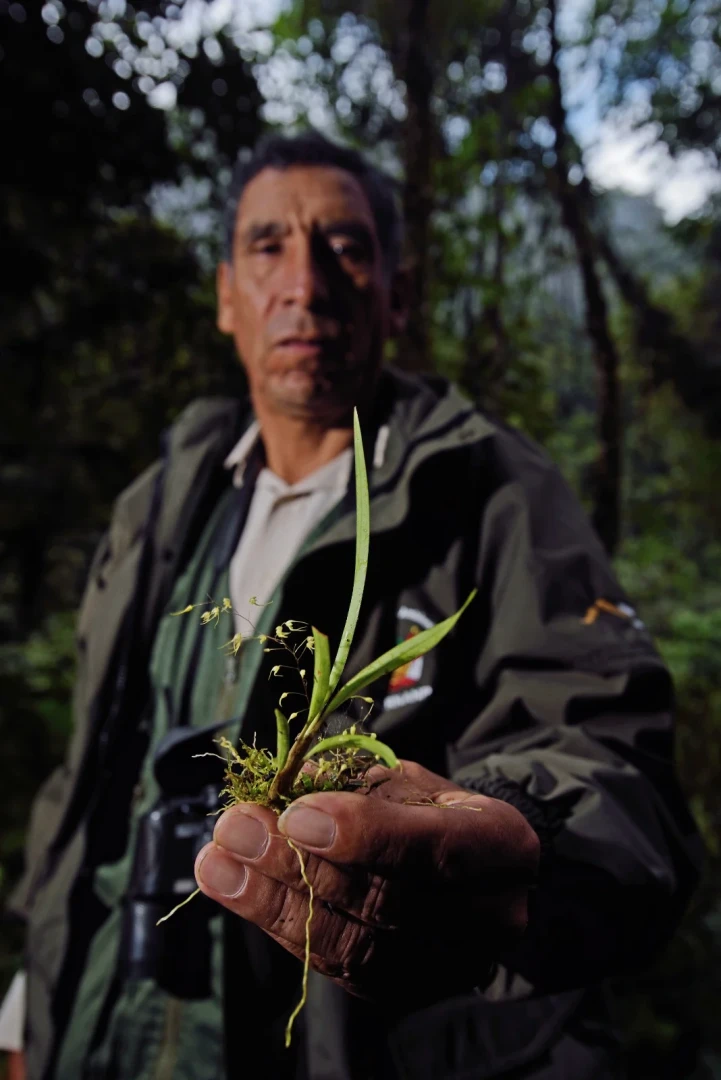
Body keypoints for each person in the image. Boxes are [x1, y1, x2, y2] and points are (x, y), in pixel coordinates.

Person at [4, 132, 702, 1080]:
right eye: (267, 246)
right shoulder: (160, 505)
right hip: (95, 1033)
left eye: (344, 245)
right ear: (225, 297)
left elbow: (614, 762)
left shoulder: (494, 491)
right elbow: (89, 775)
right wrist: (24, 1008)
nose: (306, 282)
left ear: (396, 294)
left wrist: (513, 835)